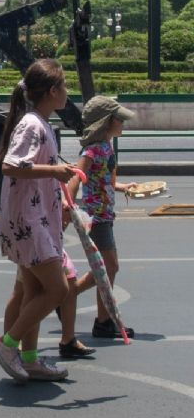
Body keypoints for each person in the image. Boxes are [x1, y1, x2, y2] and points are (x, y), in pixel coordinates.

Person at [0, 58, 75, 383]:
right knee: (57, 289)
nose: (67, 92)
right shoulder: (32, 124)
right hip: (29, 220)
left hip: (37, 216)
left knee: (33, 289)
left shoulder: (39, 122)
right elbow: (11, 166)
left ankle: (30, 358)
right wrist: (54, 171)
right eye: (64, 85)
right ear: (53, 91)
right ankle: (7, 345)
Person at [67, 95, 138, 340]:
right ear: (107, 122)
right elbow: (77, 176)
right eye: (119, 119)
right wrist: (68, 207)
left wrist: (123, 186)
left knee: (106, 269)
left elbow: (104, 180)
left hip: (105, 214)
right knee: (109, 267)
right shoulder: (92, 149)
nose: (122, 123)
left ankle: (103, 321)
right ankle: (67, 294)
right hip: (96, 217)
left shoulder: (106, 146)